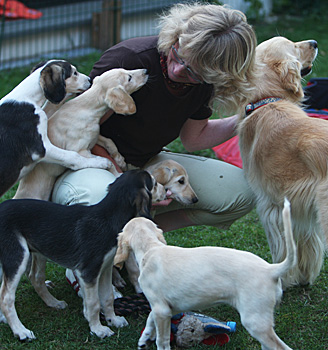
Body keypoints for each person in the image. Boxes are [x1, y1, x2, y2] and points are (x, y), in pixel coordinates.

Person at [52, 2, 257, 233]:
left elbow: (194, 139)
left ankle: (143, 235)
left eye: (194, 73)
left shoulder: (205, 82)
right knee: (102, 196)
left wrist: (246, 116)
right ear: (176, 36)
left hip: (143, 163)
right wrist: (130, 184)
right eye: (179, 55)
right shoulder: (129, 61)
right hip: (85, 162)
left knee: (239, 191)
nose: (179, 71)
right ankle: (97, 250)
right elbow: (81, 132)